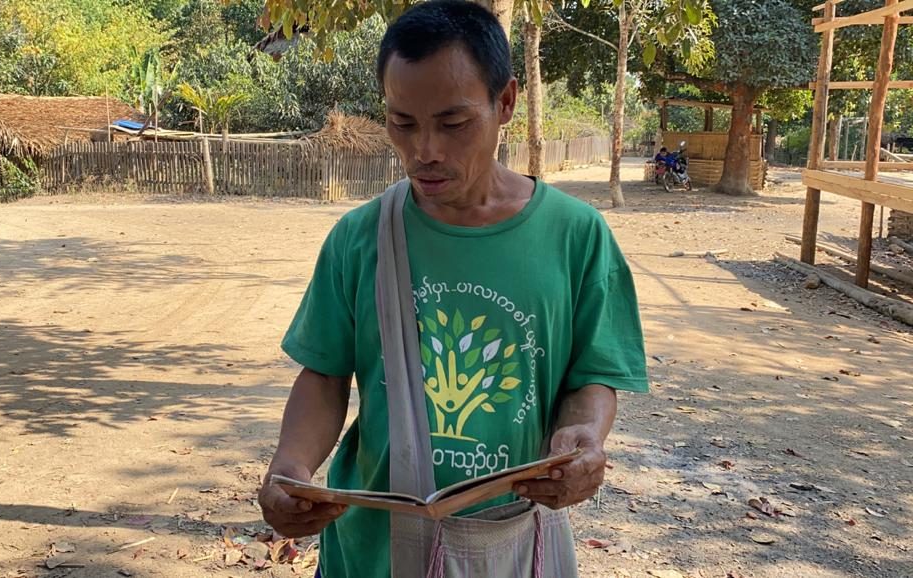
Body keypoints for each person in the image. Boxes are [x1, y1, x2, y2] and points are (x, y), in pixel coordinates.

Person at [259, 2, 648, 577]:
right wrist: (290, 464)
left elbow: (593, 373)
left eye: (453, 123)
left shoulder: (575, 236)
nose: (425, 151)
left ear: (507, 102)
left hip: (513, 541)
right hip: (372, 553)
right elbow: (324, 374)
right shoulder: (360, 238)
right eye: (403, 122)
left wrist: (584, 434)